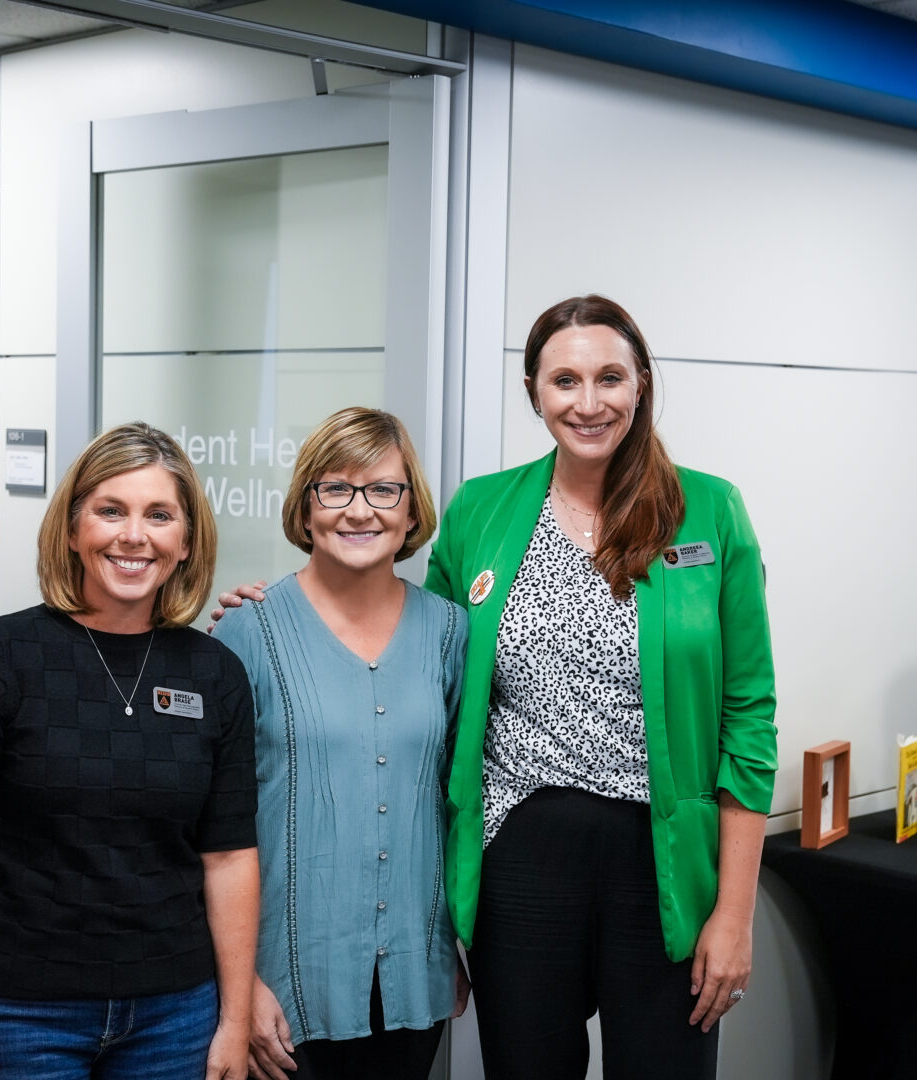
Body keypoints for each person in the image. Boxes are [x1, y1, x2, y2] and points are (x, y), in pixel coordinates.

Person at [215, 295, 777, 1079]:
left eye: (609, 378)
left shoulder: (709, 510)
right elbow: (422, 655)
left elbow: (747, 717)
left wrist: (734, 913)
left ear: (641, 384)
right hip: (518, 858)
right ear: (533, 392)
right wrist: (277, 614)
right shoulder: (483, 509)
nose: (587, 403)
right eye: (564, 381)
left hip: (664, 861)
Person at [0, 422, 260, 1080]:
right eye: (111, 510)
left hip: (176, 1015)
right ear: (72, 529)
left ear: (186, 542)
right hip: (20, 1013)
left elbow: (229, 857)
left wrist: (234, 1020)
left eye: (159, 515)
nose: (134, 535)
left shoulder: (214, 673)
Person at [211, 407, 469, 1080]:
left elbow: (457, 798)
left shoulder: (448, 632)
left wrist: (454, 947)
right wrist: (240, 986)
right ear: (305, 508)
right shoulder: (247, 631)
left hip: (414, 978)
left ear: (411, 511)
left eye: (383, 489)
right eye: (335, 489)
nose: (359, 510)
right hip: (283, 980)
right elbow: (210, 827)